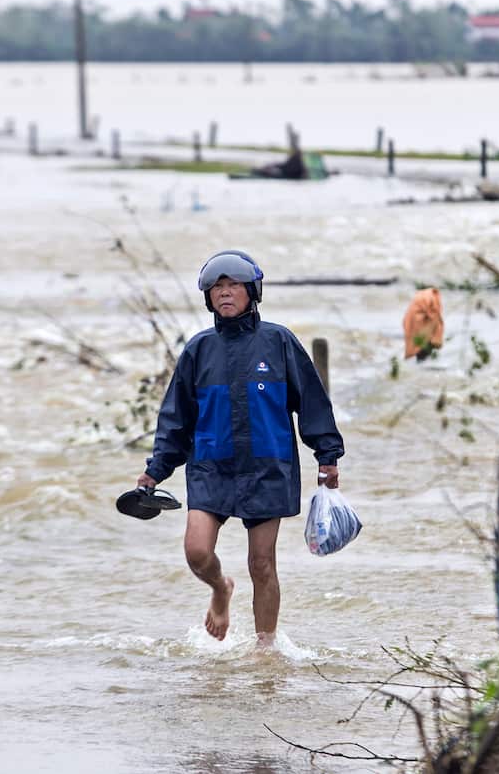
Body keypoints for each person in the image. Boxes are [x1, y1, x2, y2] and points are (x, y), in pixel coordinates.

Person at [136, 250, 344, 646]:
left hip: (268, 468)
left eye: (233, 286)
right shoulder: (198, 350)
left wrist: (327, 455)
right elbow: (175, 418)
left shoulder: (279, 342)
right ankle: (220, 589)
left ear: (253, 292)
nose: (225, 294)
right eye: (217, 288)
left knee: (262, 564)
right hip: (211, 468)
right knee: (197, 552)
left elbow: (313, 403)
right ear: (208, 297)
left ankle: (266, 650)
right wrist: (155, 470)